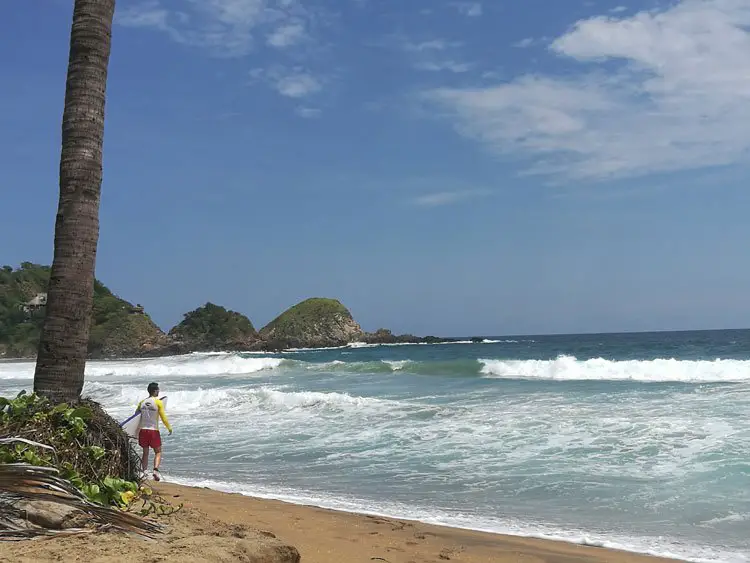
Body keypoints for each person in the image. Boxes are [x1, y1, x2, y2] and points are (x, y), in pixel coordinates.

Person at [135, 382, 172, 481]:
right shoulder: (158, 402)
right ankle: (155, 470)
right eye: (158, 390)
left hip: (143, 431)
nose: (159, 391)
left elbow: (135, 416)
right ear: (155, 391)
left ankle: (144, 472)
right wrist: (169, 427)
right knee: (158, 452)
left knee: (145, 452)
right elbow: (163, 417)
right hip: (153, 431)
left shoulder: (142, 402)